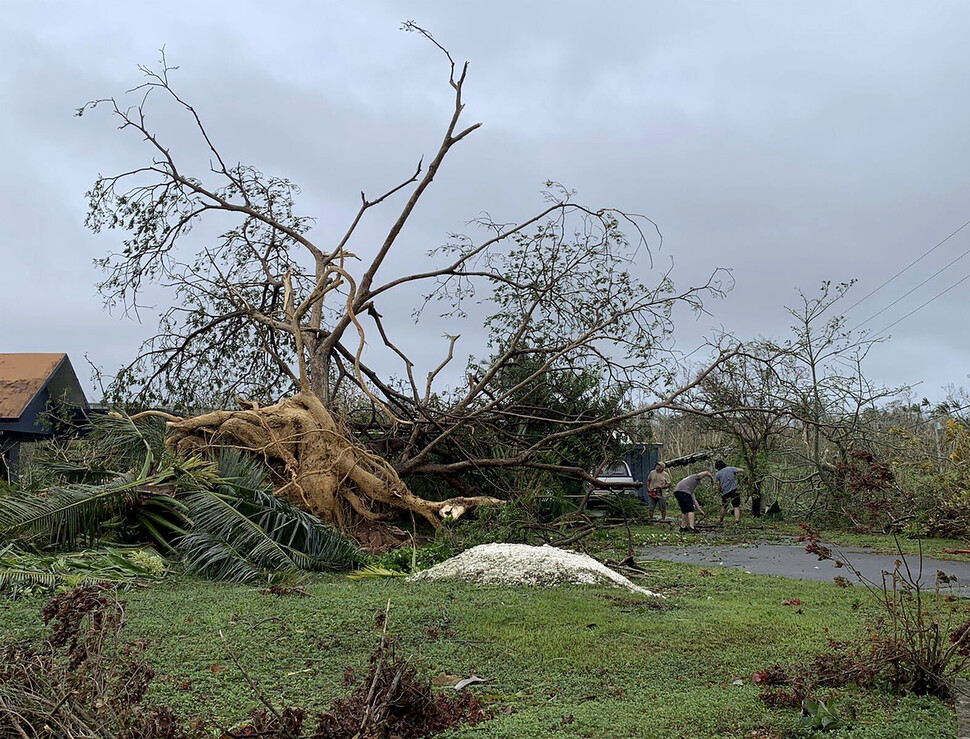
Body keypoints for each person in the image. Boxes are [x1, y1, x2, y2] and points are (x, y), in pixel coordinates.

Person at [714, 459, 745, 524]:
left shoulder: (718, 474)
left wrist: (719, 489)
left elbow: (718, 485)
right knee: (736, 506)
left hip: (725, 492)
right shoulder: (731, 469)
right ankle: (737, 521)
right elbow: (742, 470)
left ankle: (721, 520)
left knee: (724, 506)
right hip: (734, 490)